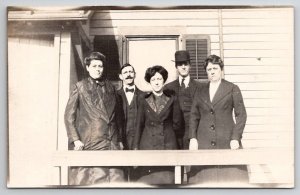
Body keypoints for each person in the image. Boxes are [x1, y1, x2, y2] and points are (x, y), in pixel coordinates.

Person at [64, 51, 125, 185]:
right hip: (90, 142)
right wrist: (75, 139)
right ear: (87, 68)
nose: (98, 69)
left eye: (100, 66)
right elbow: (69, 116)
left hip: (111, 143)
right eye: (94, 66)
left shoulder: (112, 88)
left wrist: (119, 140)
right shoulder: (80, 87)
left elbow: (118, 118)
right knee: (91, 181)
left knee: (113, 181)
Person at [188, 54, 248, 184]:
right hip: (204, 142)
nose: (212, 72)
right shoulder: (200, 90)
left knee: (230, 178)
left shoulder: (232, 88)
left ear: (221, 69)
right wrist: (193, 138)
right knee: (204, 180)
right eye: (209, 70)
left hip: (226, 140)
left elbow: (241, 115)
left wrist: (235, 138)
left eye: (215, 68)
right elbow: (193, 115)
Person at [132, 65, 183, 185]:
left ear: (164, 80)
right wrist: (135, 148)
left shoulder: (172, 99)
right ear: (149, 82)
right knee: (148, 181)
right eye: (153, 79)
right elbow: (139, 125)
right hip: (148, 146)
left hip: (168, 145)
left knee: (168, 180)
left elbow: (177, 124)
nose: (156, 82)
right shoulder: (143, 100)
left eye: (159, 79)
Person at [164, 50, 200, 150]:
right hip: (174, 135)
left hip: (195, 133)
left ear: (190, 65)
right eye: (180, 64)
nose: (183, 67)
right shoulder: (168, 88)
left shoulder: (200, 87)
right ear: (176, 67)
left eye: (186, 64)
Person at [117, 63, 143, 181]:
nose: (128, 75)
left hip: (139, 141)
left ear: (135, 75)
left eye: (130, 72)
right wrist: (118, 140)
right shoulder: (115, 95)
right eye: (125, 73)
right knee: (120, 176)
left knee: (137, 178)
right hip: (121, 142)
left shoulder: (144, 96)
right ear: (120, 76)